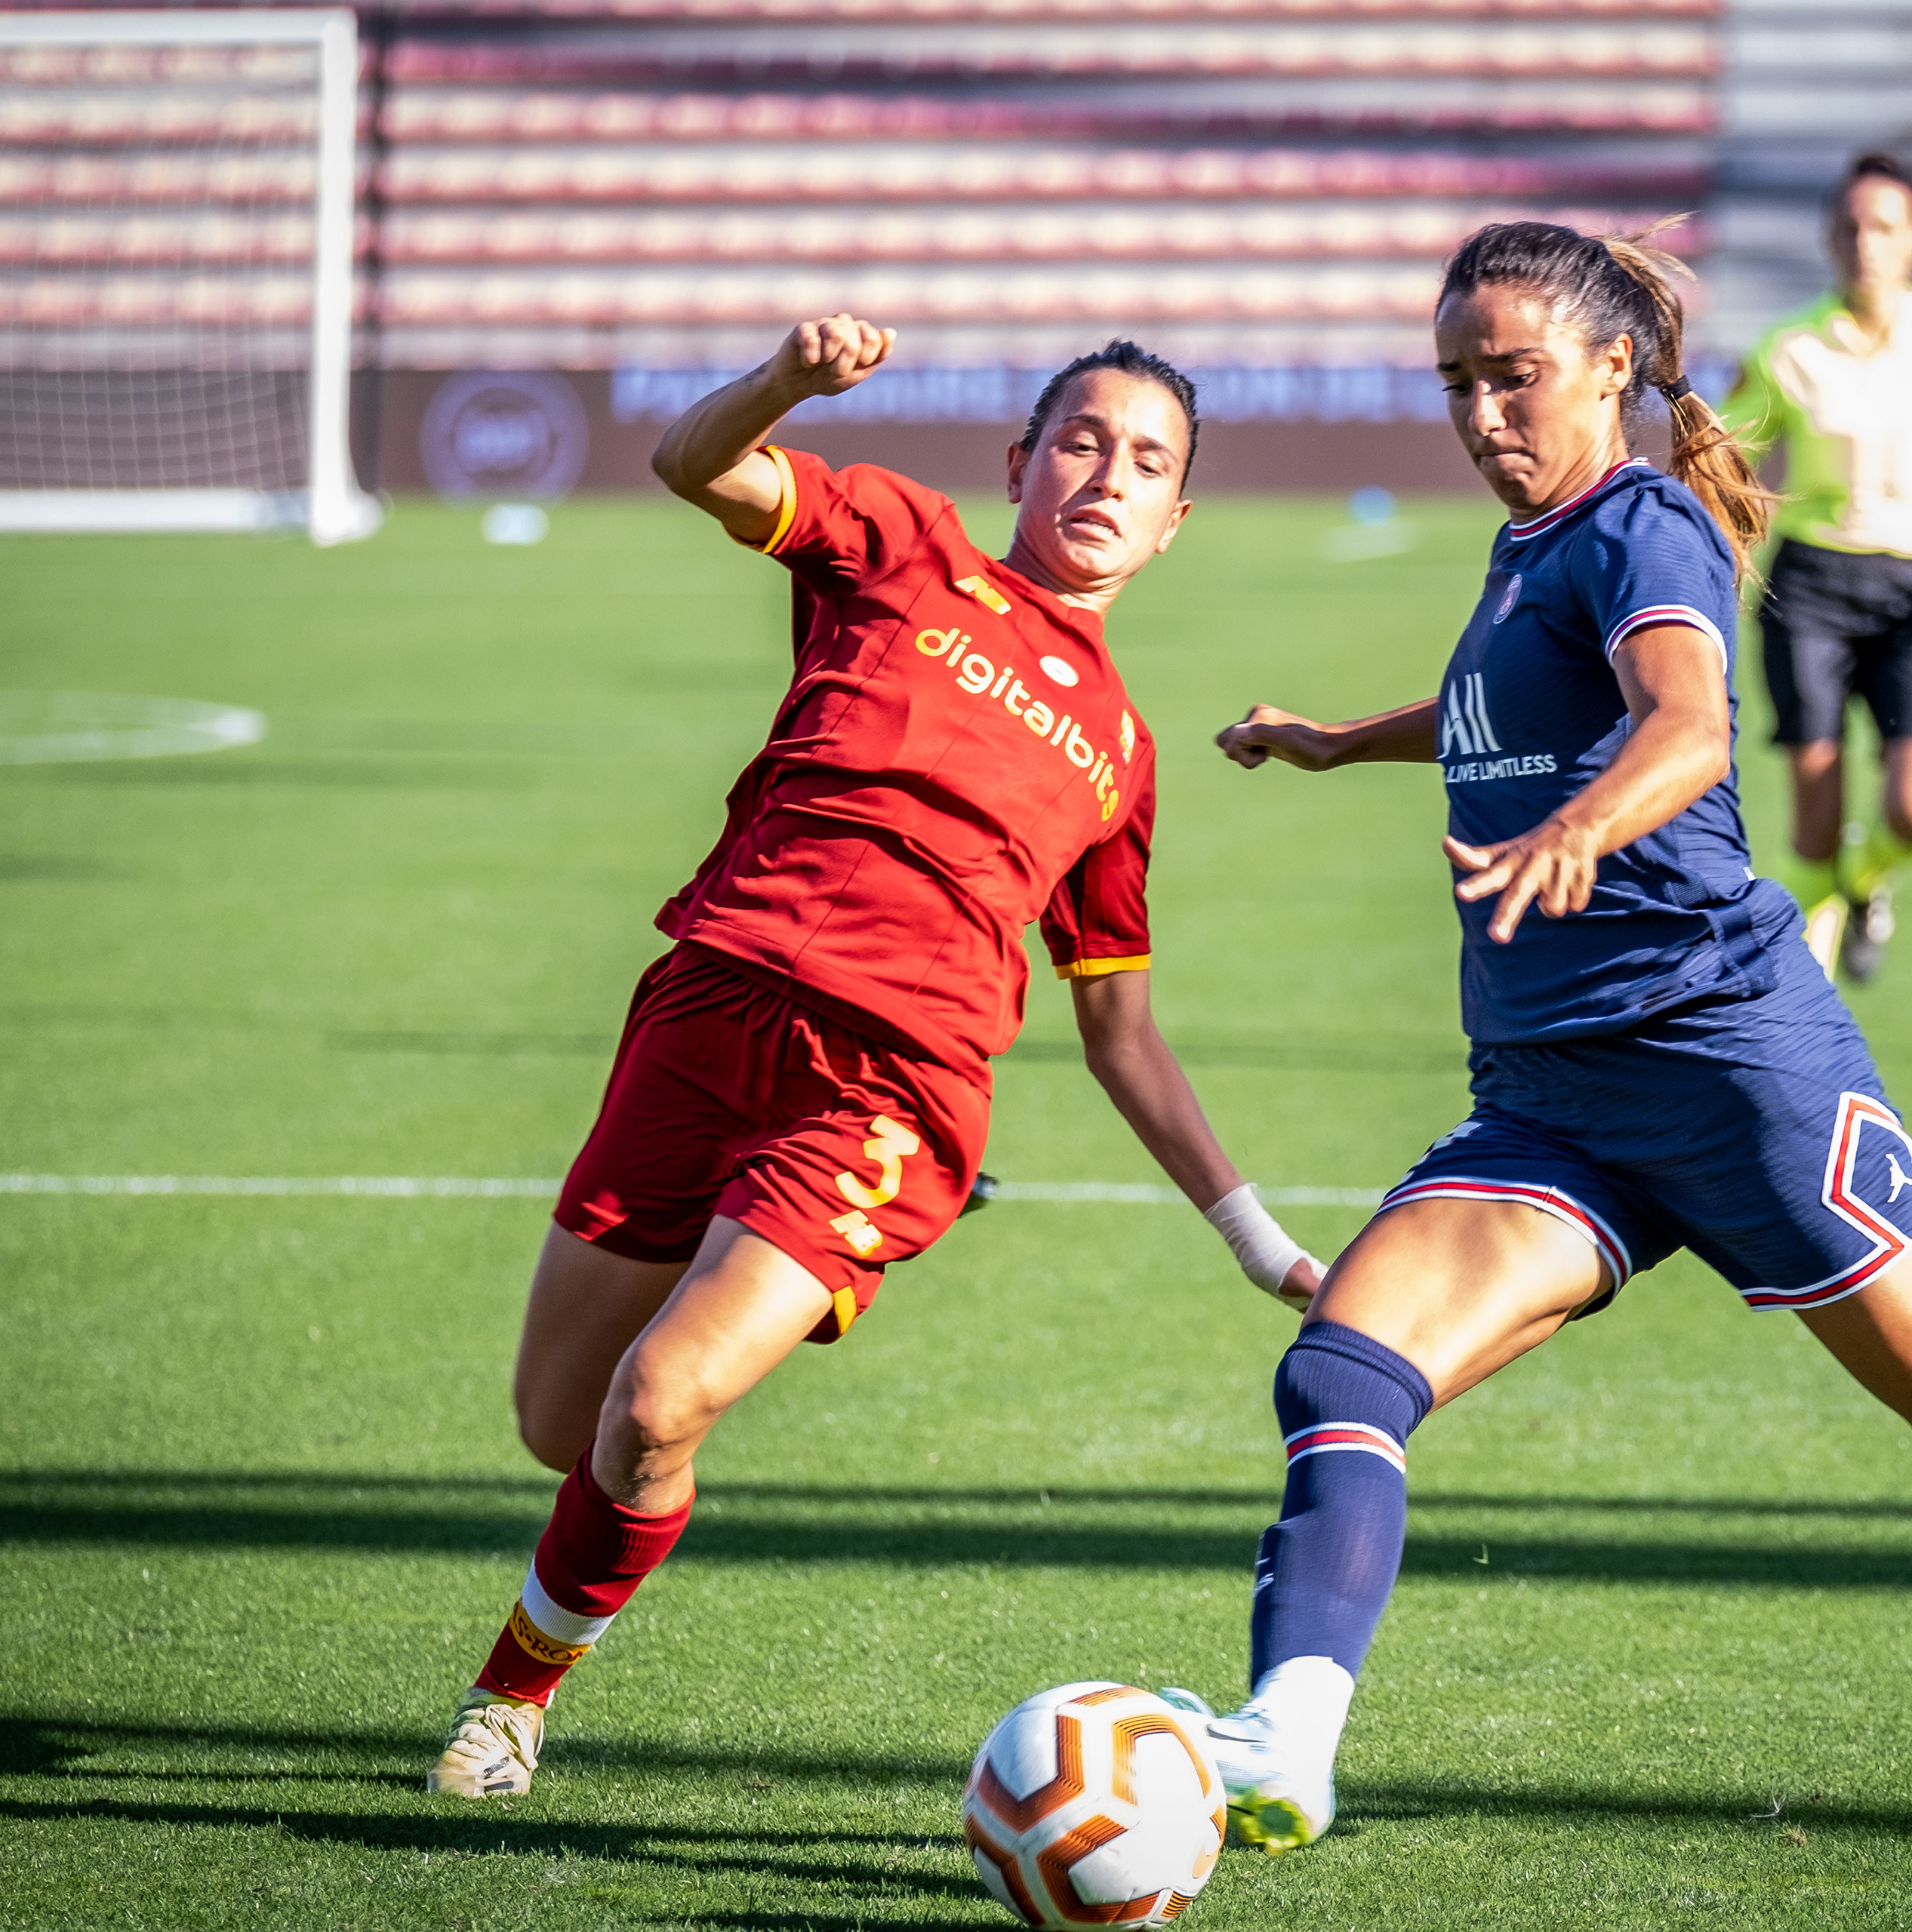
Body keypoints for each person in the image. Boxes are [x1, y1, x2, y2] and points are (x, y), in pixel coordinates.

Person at [1191, 221, 1912, 1853]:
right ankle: (1287, 1739)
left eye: (1512, 376)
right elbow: (1511, 717)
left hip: (1730, 1063)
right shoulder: (1531, 544)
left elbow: (1688, 722)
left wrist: (1584, 831)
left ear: (1611, 367)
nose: (1480, 413)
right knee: (1344, 1365)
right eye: (1456, 381)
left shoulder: (1643, 524)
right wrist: (1345, 742)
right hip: (1553, 1097)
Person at [425, 317, 1327, 1799]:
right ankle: (642, 1466)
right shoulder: (902, 542)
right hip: (708, 1008)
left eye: (1147, 462)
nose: (1109, 475)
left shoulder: (1121, 753)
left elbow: (1120, 1030)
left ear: (1175, 521)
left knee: (657, 1403)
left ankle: (510, 1701)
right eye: (1084, 441)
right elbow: (689, 462)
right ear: (1021, 462)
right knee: (560, 1423)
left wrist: (1258, 1241)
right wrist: (790, 382)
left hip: (889, 1092)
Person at [1723, 152, 1912, 982]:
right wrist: (1723, 539)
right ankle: (1807, 1005)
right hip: (1811, 588)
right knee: (1813, 826)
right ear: (1831, 239)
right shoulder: (1788, 346)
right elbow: (1727, 461)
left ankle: (1867, 881)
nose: (1867, 243)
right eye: (1852, 227)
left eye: (1885, 227)